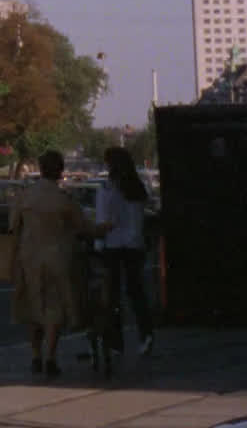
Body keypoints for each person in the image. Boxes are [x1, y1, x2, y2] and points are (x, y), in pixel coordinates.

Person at [10, 149, 86, 377]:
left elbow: (14, 227)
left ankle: (35, 355)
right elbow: (83, 226)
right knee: (54, 308)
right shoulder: (64, 200)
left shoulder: (24, 197)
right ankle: (51, 356)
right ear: (60, 170)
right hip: (57, 257)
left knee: (33, 307)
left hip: (29, 257)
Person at [94, 146, 155, 358]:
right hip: (135, 245)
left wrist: (97, 241)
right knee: (136, 290)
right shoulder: (137, 188)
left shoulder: (107, 189)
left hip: (113, 245)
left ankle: (115, 341)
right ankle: (145, 333)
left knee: (112, 295)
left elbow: (103, 221)